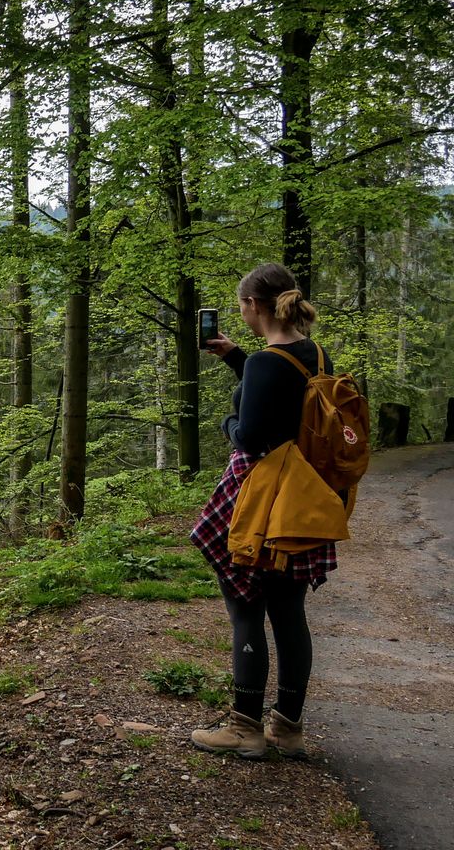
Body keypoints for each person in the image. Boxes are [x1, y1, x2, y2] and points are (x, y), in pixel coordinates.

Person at [188, 262, 339, 759]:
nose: (242, 316)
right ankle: (288, 729)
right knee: (290, 613)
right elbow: (285, 402)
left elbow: (251, 433)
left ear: (254, 305)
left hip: (260, 496)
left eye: (242, 308)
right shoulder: (313, 353)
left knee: (245, 607)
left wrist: (228, 423)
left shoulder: (265, 363)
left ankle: (245, 727)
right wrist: (237, 358)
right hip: (303, 499)